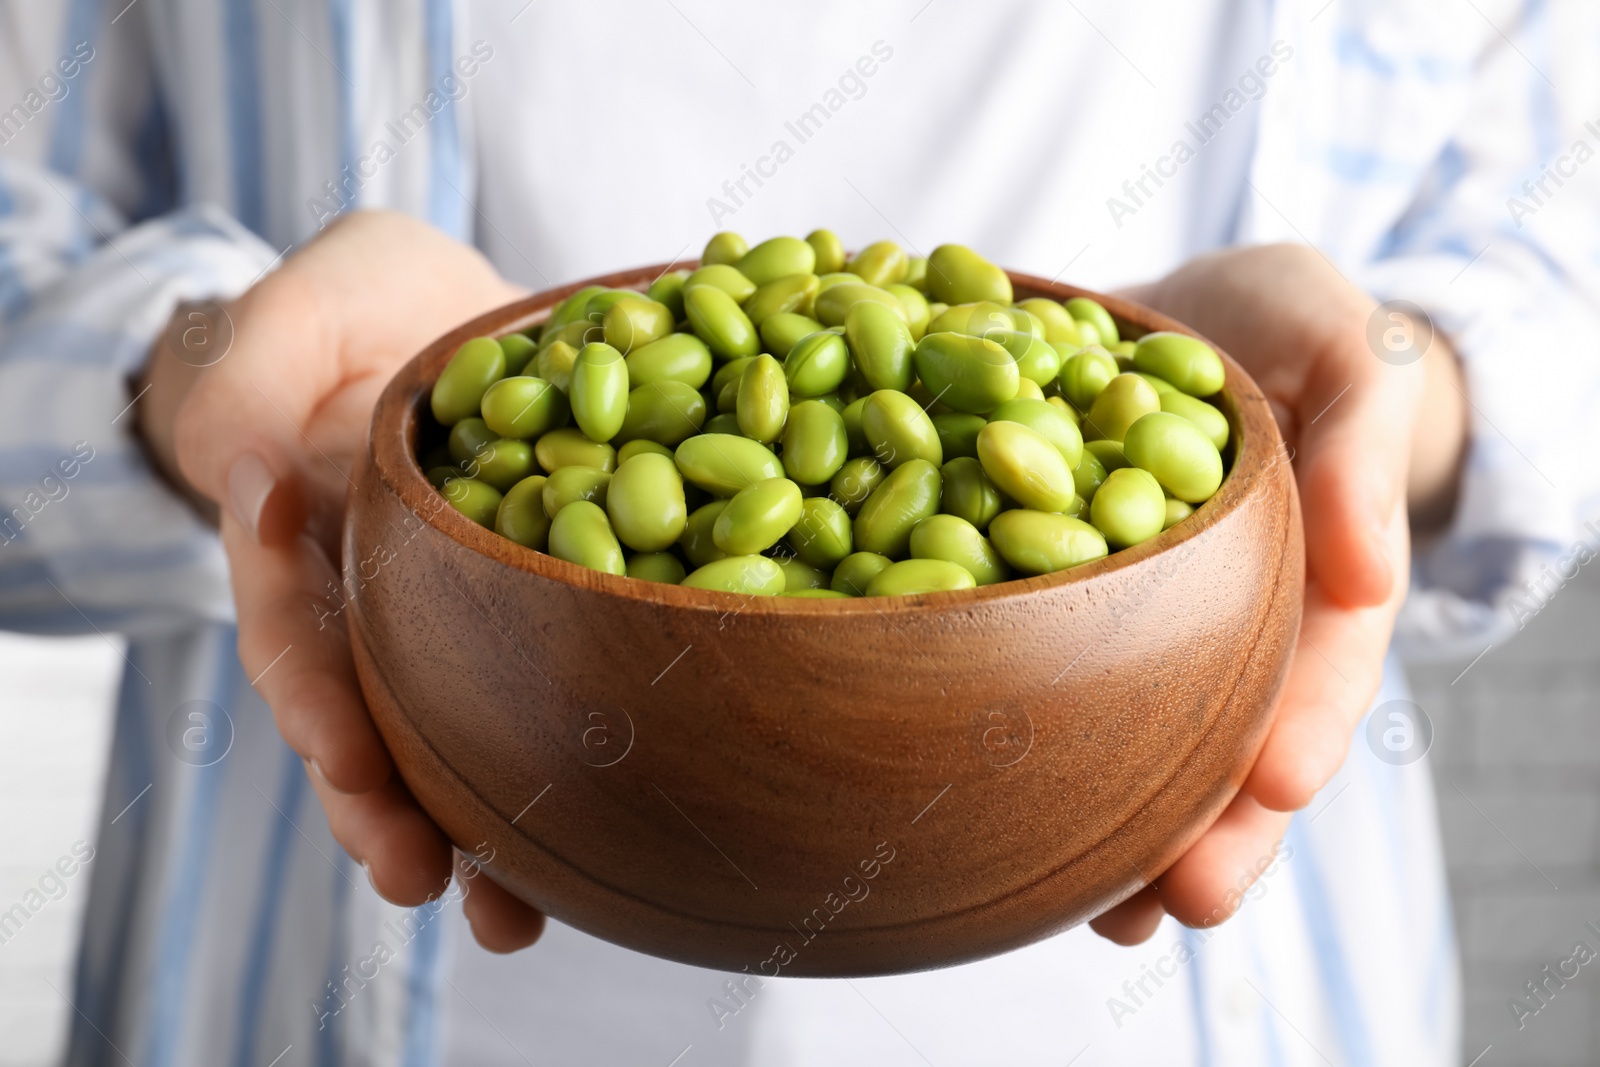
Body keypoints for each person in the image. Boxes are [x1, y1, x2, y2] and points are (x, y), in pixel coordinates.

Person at [3, 1, 1598, 1063]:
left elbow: (1559, 241)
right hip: (328, 948)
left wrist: (1406, 387)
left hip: (1193, 915)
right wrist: (182, 378)